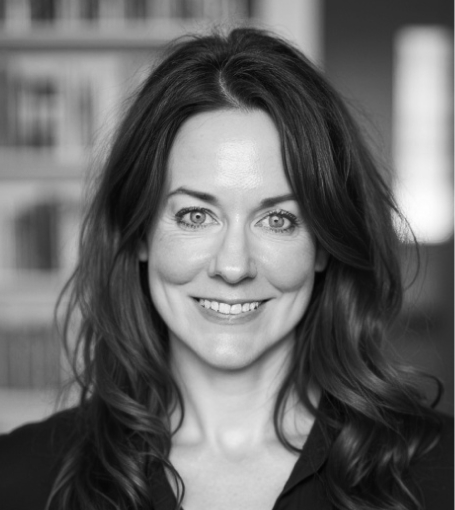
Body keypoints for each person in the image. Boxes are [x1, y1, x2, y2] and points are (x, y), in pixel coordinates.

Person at [0, 27, 452, 510]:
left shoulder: (441, 474)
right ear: (139, 234)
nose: (233, 266)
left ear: (323, 244)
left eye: (279, 219)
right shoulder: (19, 477)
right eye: (196, 216)